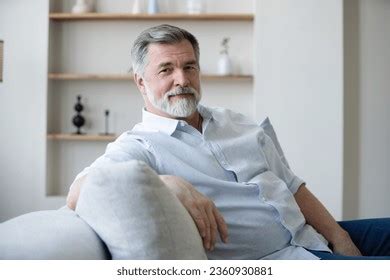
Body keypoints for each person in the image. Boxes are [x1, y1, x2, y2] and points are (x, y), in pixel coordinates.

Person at [66, 24, 390, 260]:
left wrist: (340, 236)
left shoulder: (236, 121)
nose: (182, 79)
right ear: (140, 82)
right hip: (282, 259)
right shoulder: (139, 146)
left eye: (189, 66)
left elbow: (292, 186)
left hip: (313, 236)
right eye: (166, 69)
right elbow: (78, 192)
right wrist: (165, 184)